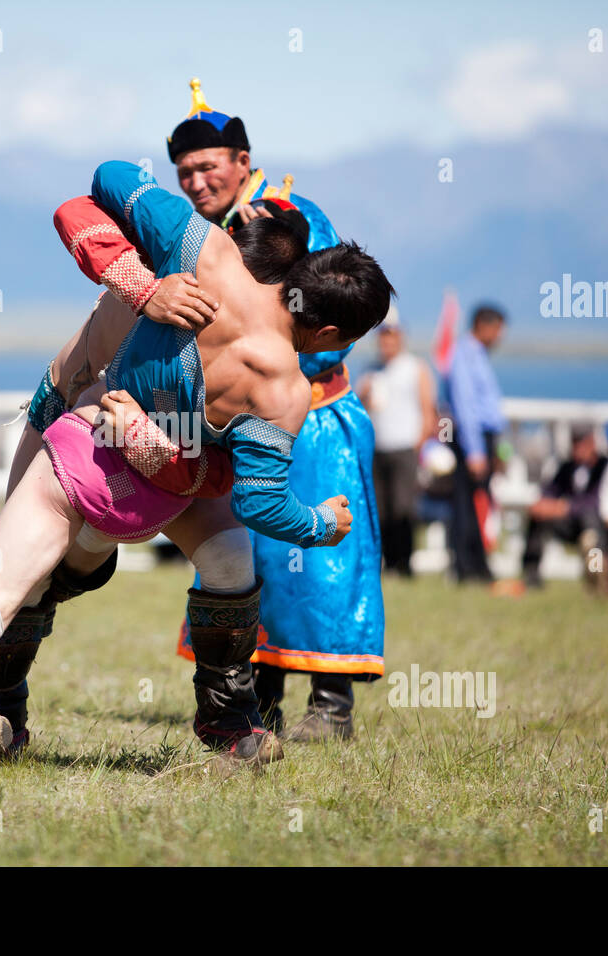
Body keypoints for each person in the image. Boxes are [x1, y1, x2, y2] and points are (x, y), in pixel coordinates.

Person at [0, 160, 393, 784]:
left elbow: (108, 177)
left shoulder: (204, 249)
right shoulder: (284, 386)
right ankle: (232, 724)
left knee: (0, 588)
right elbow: (260, 504)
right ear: (331, 331)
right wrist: (321, 524)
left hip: (90, 452)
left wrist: (144, 288)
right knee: (230, 565)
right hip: (166, 488)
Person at [169, 79, 387, 742]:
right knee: (250, 557)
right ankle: (255, 700)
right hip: (244, 426)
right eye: (184, 174)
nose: (197, 182)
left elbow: (338, 310)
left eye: (209, 167)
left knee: (320, 563)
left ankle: (332, 704)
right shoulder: (204, 235)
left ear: (242, 161)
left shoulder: (291, 219)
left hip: (314, 418)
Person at [359, 311, 436, 577]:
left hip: (404, 447)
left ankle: (403, 563)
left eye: (391, 337)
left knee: (403, 508)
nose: (386, 343)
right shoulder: (371, 370)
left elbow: (428, 410)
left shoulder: (415, 368)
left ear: (400, 338)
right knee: (379, 509)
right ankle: (384, 563)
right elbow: (359, 408)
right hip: (377, 448)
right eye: (383, 338)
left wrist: (419, 443)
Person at [443, 304, 507, 583]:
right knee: (468, 504)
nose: (499, 337)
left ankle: (478, 564)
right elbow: (466, 406)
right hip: (473, 440)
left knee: (479, 502)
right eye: (497, 330)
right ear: (483, 325)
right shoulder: (465, 355)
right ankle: (467, 567)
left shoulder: (476, 355)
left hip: (483, 439)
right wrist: (476, 451)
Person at [520, 427, 608, 588]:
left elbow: (598, 501)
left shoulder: (605, 466)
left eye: (581, 443)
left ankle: (596, 577)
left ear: (592, 443)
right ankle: (531, 574)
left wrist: (566, 506)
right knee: (539, 516)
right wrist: (541, 504)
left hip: (597, 524)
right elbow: (551, 490)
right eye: (574, 442)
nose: (577, 448)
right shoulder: (567, 467)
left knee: (591, 525)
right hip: (569, 524)